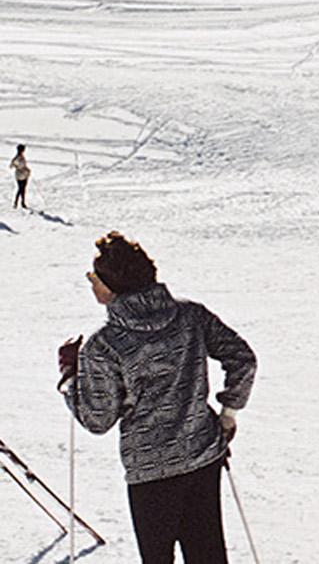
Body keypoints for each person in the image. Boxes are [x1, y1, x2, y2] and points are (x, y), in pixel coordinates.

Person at [59, 231, 256, 564]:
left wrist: (70, 377)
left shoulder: (105, 345)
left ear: (111, 286)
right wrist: (228, 414)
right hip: (202, 456)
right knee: (208, 555)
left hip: (151, 473)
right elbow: (243, 359)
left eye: (94, 278)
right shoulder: (191, 316)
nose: (91, 284)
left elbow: (97, 419)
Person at [11, 143, 28, 209]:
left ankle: (21, 202)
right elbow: (12, 165)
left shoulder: (19, 157)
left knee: (22, 189)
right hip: (20, 174)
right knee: (21, 189)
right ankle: (18, 202)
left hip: (23, 174)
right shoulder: (18, 158)